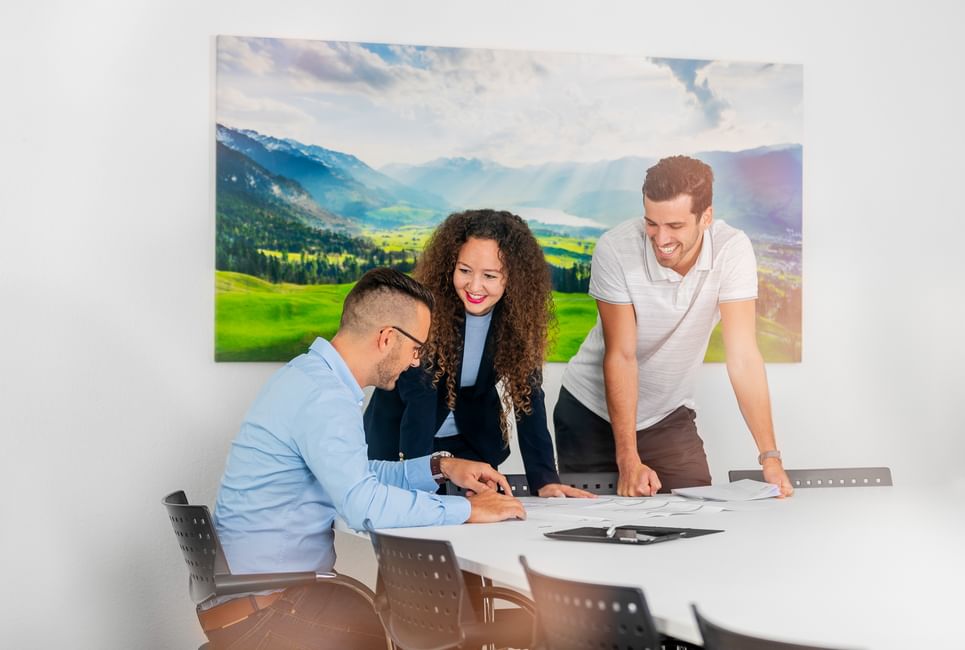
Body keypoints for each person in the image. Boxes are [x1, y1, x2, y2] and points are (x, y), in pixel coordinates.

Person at [207, 268, 526, 650]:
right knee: (419, 632)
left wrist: (440, 466)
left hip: (258, 596)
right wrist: (467, 510)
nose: (414, 362)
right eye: (416, 349)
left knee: (409, 624)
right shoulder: (325, 397)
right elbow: (362, 504)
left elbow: (357, 475)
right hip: (269, 607)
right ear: (387, 338)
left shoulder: (309, 378)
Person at [555, 155, 794, 498]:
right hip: (590, 414)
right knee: (606, 527)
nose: (660, 238)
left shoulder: (732, 250)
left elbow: (742, 356)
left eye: (675, 226)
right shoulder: (617, 248)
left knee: (700, 514)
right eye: (652, 223)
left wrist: (769, 457)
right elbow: (622, 355)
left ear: (706, 217)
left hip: (667, 415)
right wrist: (628, 458)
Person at [364, 209, 591, 498]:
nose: (474, 286)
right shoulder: (424, 310)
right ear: (450, 266)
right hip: (403, 436)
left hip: (470, 438)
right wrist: (418, 483)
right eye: (465, 271)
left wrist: (544, 479)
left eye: (490, 276)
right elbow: (420, 398)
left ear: (513, 278)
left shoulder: (519, 319)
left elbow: (528, 396)